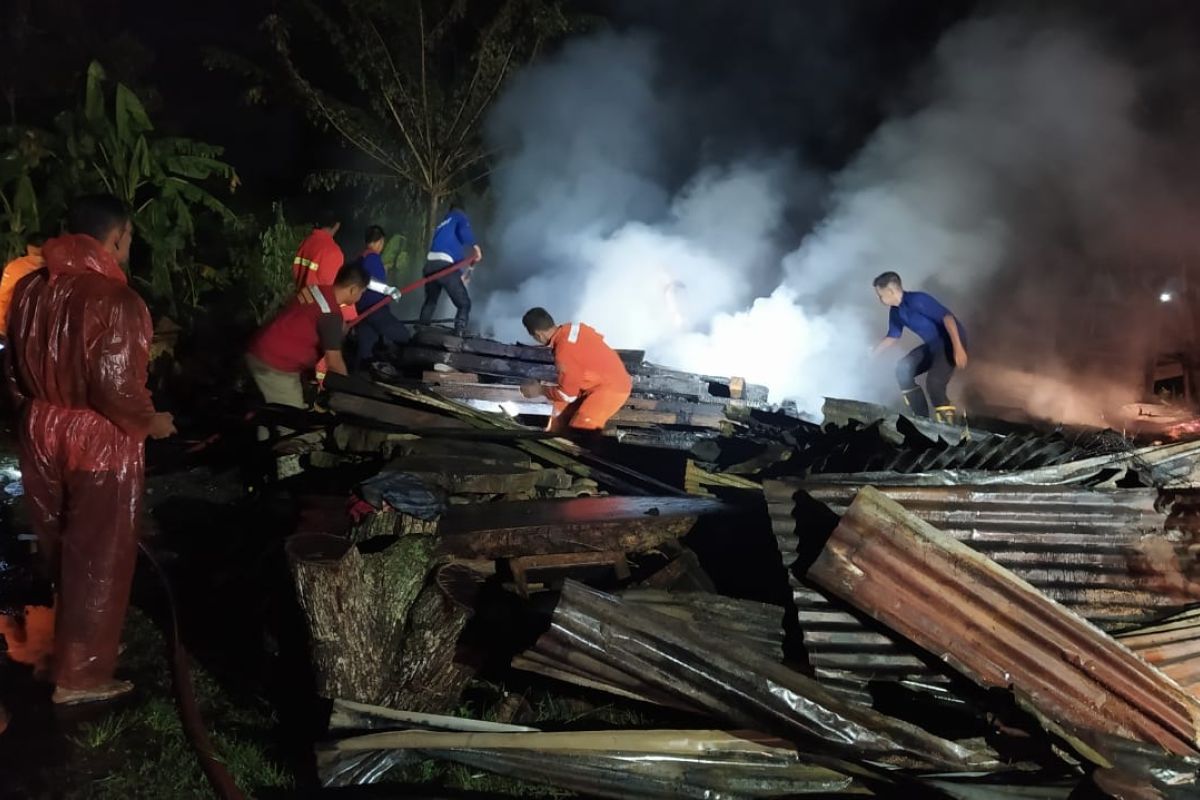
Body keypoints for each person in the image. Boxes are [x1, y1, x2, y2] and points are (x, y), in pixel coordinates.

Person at [4, 194, 176, 705]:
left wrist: (31, 415)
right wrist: (152, 422)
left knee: (59, 544)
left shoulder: (31, 288)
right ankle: (82, 675)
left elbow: (12, 367)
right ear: (118, 236)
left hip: (40, 426)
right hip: (98, 438)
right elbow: (114, 386)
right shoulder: (116, 300)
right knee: (99, 554)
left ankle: (75, 645)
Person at [246, 261, 369, 408]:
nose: (360, 297)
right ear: (353, 289)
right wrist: (351, 396)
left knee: (268, 413)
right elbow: (334, 363)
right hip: (275, 365)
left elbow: (309, 319)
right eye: (362, 292)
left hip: (259, 347)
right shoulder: (331, 314)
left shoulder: (317, 290)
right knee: (290, 421)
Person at [871, 271, 968, 424]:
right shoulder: (896, 312)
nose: (879, 299)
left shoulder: (918, 300)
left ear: (890, 291)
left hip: (950, 342)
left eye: (880, 295)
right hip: (933, 347)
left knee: (934, 383)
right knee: (903, 368)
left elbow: (948, 318)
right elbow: (893, 336)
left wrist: (958, 348)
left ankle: (951, 426)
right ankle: (921, 419)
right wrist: (872, 355)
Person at [519, 307, 632, 434]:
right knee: (559, 409)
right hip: (597, 381)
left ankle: (578, 450)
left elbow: (568, 395)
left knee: (580, 427)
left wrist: (539, 390)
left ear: (538, 335)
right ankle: (552, 433)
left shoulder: (564, 353)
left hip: (612, 388)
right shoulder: (574, 328)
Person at [419, 203, 482, 335]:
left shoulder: (443, 225)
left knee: (431, 301)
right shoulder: (459, 217)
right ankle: (459, 332)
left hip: (430, 265)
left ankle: (421, 329)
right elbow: (464, 231)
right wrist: (476, 247)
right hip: (445, 266)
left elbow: (450, 251)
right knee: (464, 304)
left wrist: (460, 275)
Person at [353, 225, 409, 365]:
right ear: (380, 241)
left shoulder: (360, 258)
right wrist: (388, 290)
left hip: (362, 311)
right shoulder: (372, 257)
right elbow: (367, 281)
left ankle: (360, 375)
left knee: (366, 350)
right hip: (375, 309)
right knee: (404, 336)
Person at [0, 234, 47, 338]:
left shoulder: (14, 266)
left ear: (28, 247)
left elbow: (3, 297)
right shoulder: (50, 269)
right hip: (36, 329)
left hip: (9, 326)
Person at [292, 213, 345, 294]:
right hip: (317, 305)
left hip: (299, 299)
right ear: (337, 225)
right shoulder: (334, 252)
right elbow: (329, 289)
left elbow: (295, 271)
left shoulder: (306, 242)